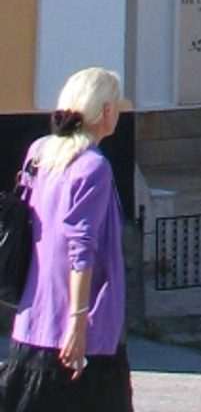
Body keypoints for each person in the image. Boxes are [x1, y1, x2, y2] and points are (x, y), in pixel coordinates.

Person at [0, 68, 129, 412]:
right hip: (85, 331)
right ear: (106, 111)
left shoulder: (40, 153)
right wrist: (78, 321)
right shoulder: (93, 167)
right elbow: (81, 249)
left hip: (33, 316)